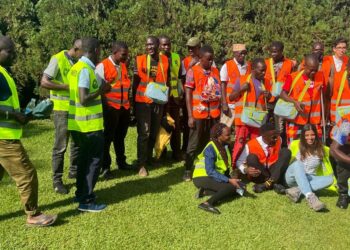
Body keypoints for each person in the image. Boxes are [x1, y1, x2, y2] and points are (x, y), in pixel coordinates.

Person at [0, 36, 57, 226]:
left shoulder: (3, 72)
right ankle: (33, 215)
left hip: (5, 135)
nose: (14, 55)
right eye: (10, 52)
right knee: (27, 173)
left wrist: (23, 114)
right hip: (4, 138)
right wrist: (13, 116)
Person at [67, 37, 109, 212]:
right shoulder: (84, 70)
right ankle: (87, 200)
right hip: (88, 126)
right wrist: (101, 91)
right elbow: (83, 98)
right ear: (96, 50)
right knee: (92, 162)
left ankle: (80, 193)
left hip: (78, 125)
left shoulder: (76, 68)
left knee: (83, 161)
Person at [41, 39, 83, 194]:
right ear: (76, 49)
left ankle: (74, 171)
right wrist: (65, 87)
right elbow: (44, 82)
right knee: (61, 146)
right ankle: (57, 180)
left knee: (76, 143)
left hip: (75, 109)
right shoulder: (58, 59)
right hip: (61, 109)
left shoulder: (77, 62)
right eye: (82, 52)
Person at [183, 45, 221, 181]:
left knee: (210, 143)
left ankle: (207, 168)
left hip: (214, 115)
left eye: (212, 60)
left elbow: (219, 92)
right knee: (193, 143)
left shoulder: (216, 71)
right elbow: (188, 94)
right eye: (208, 60)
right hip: (198, 115)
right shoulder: (193, 71)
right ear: (201, 58)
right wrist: (190, 116)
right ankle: (188, 169)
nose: (210, 62)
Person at [95, 41, 132, 180]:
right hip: (110, 108)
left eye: (126, 54)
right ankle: (105, 167)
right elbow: (99, 90)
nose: (126, 57)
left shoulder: (122, 66)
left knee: (120, 137)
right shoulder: (102, 66)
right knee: (107, 138)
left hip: (123, 107)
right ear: (115, 52)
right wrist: (106, 107)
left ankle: (121, 162)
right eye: (123, 54)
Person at [133, 36, 169, 176]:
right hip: (143, 101)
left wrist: (166, 101)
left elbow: (166, 81)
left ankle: (148, 158)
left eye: (152, 44)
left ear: (158, 45)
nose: (149, 47)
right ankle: (141, 164)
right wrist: (133, 104)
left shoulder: (165, 60)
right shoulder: (140, 59)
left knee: (153, 132)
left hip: (158, 101)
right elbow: (135, 83)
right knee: (144, 133)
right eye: (147, 45)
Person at [192, 123, 244, 214]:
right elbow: (210, 171)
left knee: (240, 187)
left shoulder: (225, 146)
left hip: (213, 176)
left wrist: (232, 179)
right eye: (227, 135)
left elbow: (225, 168)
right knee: (231, 187)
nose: (230, 137)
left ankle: (205, 192)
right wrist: (228, 180)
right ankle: (207, 203)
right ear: (218, 135)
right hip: (202, 177)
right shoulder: (211, 148)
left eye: (230, 134)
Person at [229, 58, 271, 168]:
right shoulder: (242, 80)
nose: (264, 73)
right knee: (239, 144)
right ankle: (234, 168)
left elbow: (271, 100)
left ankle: (253, 168)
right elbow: (231, 97)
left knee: (255, 145)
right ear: (252, 70)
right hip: (243, 120)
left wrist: (269, 96)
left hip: (257, 121)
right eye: (261, 70)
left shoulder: (266, 82)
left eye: (265, 70)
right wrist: (241, 90)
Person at [285, 124, 334, 212]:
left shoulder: (321, 149)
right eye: (307, 135)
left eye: (312, 135)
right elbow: (290, 162)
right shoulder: (297, 144)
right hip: (292, 176)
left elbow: (326, 168)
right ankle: (310, 197)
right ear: (303, 136)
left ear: (316, 135)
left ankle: (297, 190)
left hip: (309, 178)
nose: (310, 138)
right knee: (298, 164)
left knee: (330, 179)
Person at [280, 54, 325, 143]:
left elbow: (324, 96)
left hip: (314, 120)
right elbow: (282, 94)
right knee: (295, 145)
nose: (313, 73)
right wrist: (294, 102)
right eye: (311, 70)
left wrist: (325, 117)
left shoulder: (320, 76)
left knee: (315, 146)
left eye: (315, 70)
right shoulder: (293, 77)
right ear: (304, 66)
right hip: (296, 119)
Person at [236, 123, 291, 193]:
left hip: (274, 171)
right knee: (251, 157)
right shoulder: (250, 144)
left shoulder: (279, 139)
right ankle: (274, 183)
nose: (276, 139)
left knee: (286, 152)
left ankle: (267, 184)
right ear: (264, 136)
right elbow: (239, 162)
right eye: (273, 137)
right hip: (260, 174)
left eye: (276, 136)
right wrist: (246, 170)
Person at [159, 35, 183, 161]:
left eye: (168, 44)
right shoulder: (156, 58)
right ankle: (161, 152)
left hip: (174, 97)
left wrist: (180, 94)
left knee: (176, 126)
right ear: (159, 46)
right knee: (162, 125)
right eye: (163, 45)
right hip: (161, 98)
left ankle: (176, 152)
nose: (166, 47)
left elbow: (179, 78)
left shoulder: (176, 57)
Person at [220, 43, 251, 127]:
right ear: (235, 53)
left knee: (241, 129)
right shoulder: (227, 66)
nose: (243, 55)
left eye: (244, 53)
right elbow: (223, 85)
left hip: (243, 105)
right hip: (231, 105)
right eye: (241, 53)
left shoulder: (248, 65)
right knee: (224, 128)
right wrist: (224, 103)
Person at [181, 37, 201, 155]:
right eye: (188, 47)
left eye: (192, 48)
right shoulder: (185, 61)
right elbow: (184, 79)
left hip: (203, 100)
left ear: (199, 48)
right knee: (188, 123)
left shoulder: (207, 59)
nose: (190, 50)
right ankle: (186, 148)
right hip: (190, 98)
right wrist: (190, 67)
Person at [330, 113, 350, 209]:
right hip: (345, 151)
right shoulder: (346, 125)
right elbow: (333, 149)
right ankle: (343, 194)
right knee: (343, 162)